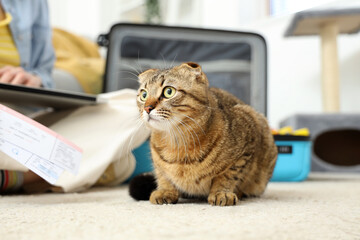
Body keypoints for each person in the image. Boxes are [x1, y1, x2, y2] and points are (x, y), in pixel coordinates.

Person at [0, 0, 55, 193]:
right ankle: (32, 175)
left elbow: (45, 71)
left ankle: (12, 176)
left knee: (121, 104)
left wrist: (34, 79)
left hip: (24, 114)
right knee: (120, 162)